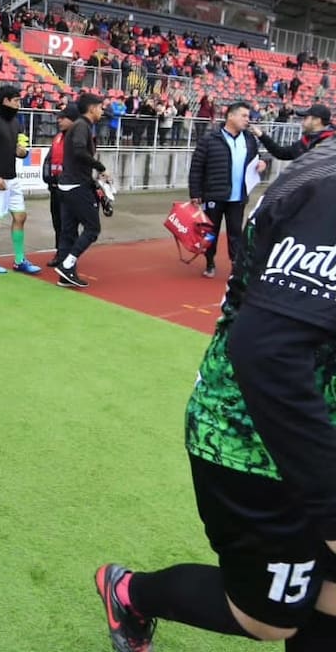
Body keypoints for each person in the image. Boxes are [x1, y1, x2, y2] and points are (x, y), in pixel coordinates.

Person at [96, 137, 336, 652]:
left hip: (318, 431)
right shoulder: (328, 190)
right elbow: (267, 354)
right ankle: (130, 592)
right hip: (252, 439)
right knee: (271, 619)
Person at [189, 101, 260, 279]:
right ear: (230, 116)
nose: (247, 120)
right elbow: (197, 166)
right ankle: (209, 262)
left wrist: (262, 162)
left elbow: (257, 157)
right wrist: (195, 193)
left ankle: (236, 264)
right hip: (214, 195)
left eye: (248, 117)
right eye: (243, 116)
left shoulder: (249, 139)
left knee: (236, 232)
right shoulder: (210, 138)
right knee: (210, 232)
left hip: (238, 197)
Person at [0, 84, 41, 275]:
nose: (19, 103)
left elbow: (15, 149)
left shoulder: (15, 122)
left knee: (20, 216)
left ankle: (19, 260)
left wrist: (21, 153)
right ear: (6, 100)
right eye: (16, 100)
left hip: (12, 179)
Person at [53, 93, 111, 288]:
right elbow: (79, 151)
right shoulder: (81, 126)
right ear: (92, 108)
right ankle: (68, 265)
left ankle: (64, 272)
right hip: (76, 185)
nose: (102, 111)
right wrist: (100, 167)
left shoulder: (80, 126)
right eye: (101, 107)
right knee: (92, 228)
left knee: (68, 230)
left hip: (68, 185)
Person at [42, 103, 77, 268]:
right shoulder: (58, 137)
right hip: (55, 188)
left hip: (70, 189)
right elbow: (49, 159)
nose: (59, 120)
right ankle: (61, 252)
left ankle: (69, 255)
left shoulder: (77, 138)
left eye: (63, 118)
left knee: (68, 224)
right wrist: (48, 178)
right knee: (58, 222)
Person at [251, 104, 335, 160]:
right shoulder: (306, 141)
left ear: (317, 120)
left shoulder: (332, 143)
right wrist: (261, 135)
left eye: (305, 118)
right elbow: (281, 153)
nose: (302, 122)